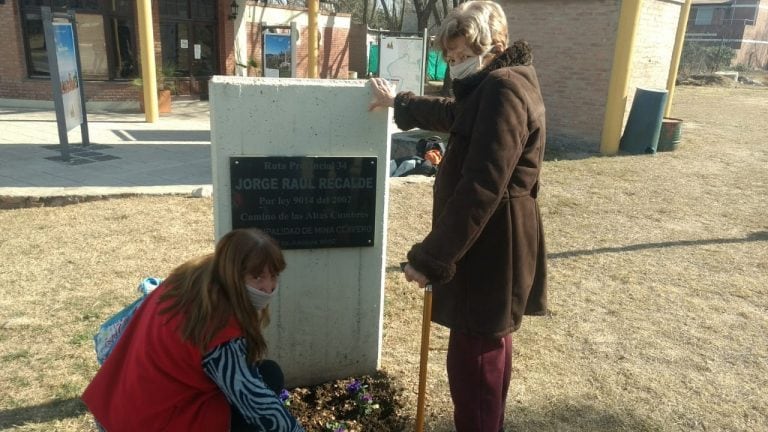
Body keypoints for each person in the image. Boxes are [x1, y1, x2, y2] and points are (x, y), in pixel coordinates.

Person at [369, 2, 548, 431]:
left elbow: (481, 187)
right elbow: (456, 115)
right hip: (492, 238)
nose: (455, 66)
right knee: (487, 345)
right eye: (449, 58)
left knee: (474, 364)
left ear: (493, 46)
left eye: (463, 55)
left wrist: (429, 259)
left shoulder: (503, 89)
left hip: (490, 243)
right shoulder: (498, 84)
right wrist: (400, 102)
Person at [82, 228, 304, 432]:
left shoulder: (188, 281)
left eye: (274, 275)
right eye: (257, 277)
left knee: (266, 373)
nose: (269, 287)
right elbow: (257, 405)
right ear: (234, 275)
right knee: (269, 377)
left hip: (116, 403)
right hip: (149, 422)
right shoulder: (220, 326)